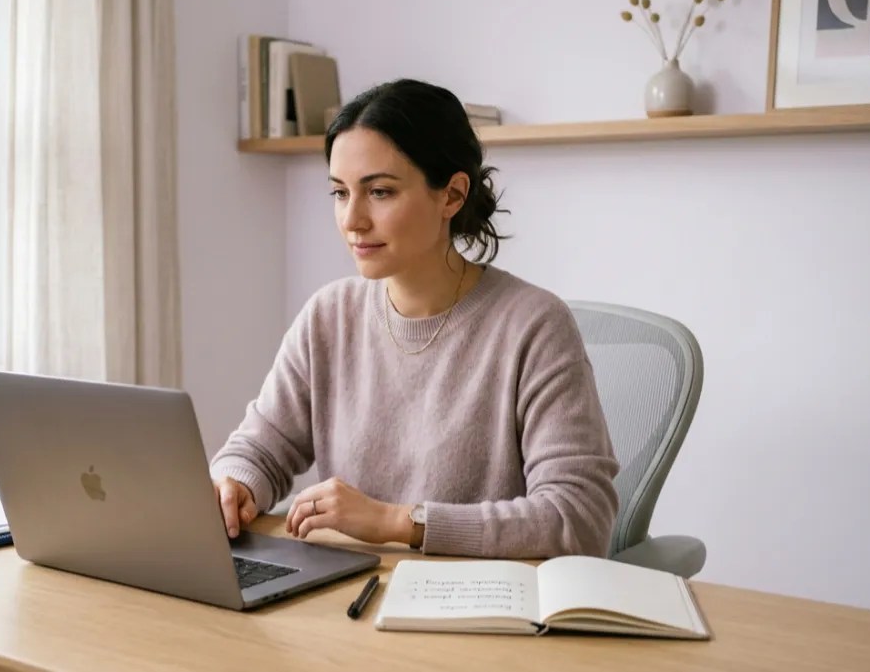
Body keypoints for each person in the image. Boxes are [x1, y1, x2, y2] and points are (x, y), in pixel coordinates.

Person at [209, 78, 620, 560]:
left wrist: (395, 521)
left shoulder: (534, 325)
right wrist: (233, 484)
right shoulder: (329, 315)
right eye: (340, 193)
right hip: (352, 599)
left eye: (379, 192)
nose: (352, 220)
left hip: (476, 614)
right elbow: (260, 447)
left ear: (451, 195)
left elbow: (579, 518)